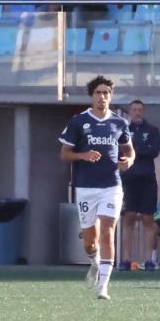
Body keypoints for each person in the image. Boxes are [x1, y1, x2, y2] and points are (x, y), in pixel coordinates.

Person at [59, 76, 134, 300]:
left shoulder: (119, 123)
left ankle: (103, 287)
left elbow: (129, 150)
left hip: (111, 185)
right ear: (91, 96)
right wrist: (83, 154)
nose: (103, 97)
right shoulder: (78, 121)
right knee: (91, 241)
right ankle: (94, 262)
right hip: (85, 187)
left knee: (108, 232)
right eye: (99, 93)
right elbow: (64, 154)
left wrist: (128, 161)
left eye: (106, 93)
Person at [118, 100, 160, 272]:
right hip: (128, 179)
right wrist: (139, 150)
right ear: (130, 112)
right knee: (128, 218)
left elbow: (154, 151)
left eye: (140, 110)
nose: (137, 112)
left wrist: (134, 150)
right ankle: (126, 260)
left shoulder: (153, 131)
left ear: (143, 112)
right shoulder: (123, 131)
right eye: (134, 110)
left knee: (147, 219)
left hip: (147, 180)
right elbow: (121, 150)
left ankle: (149, 260)